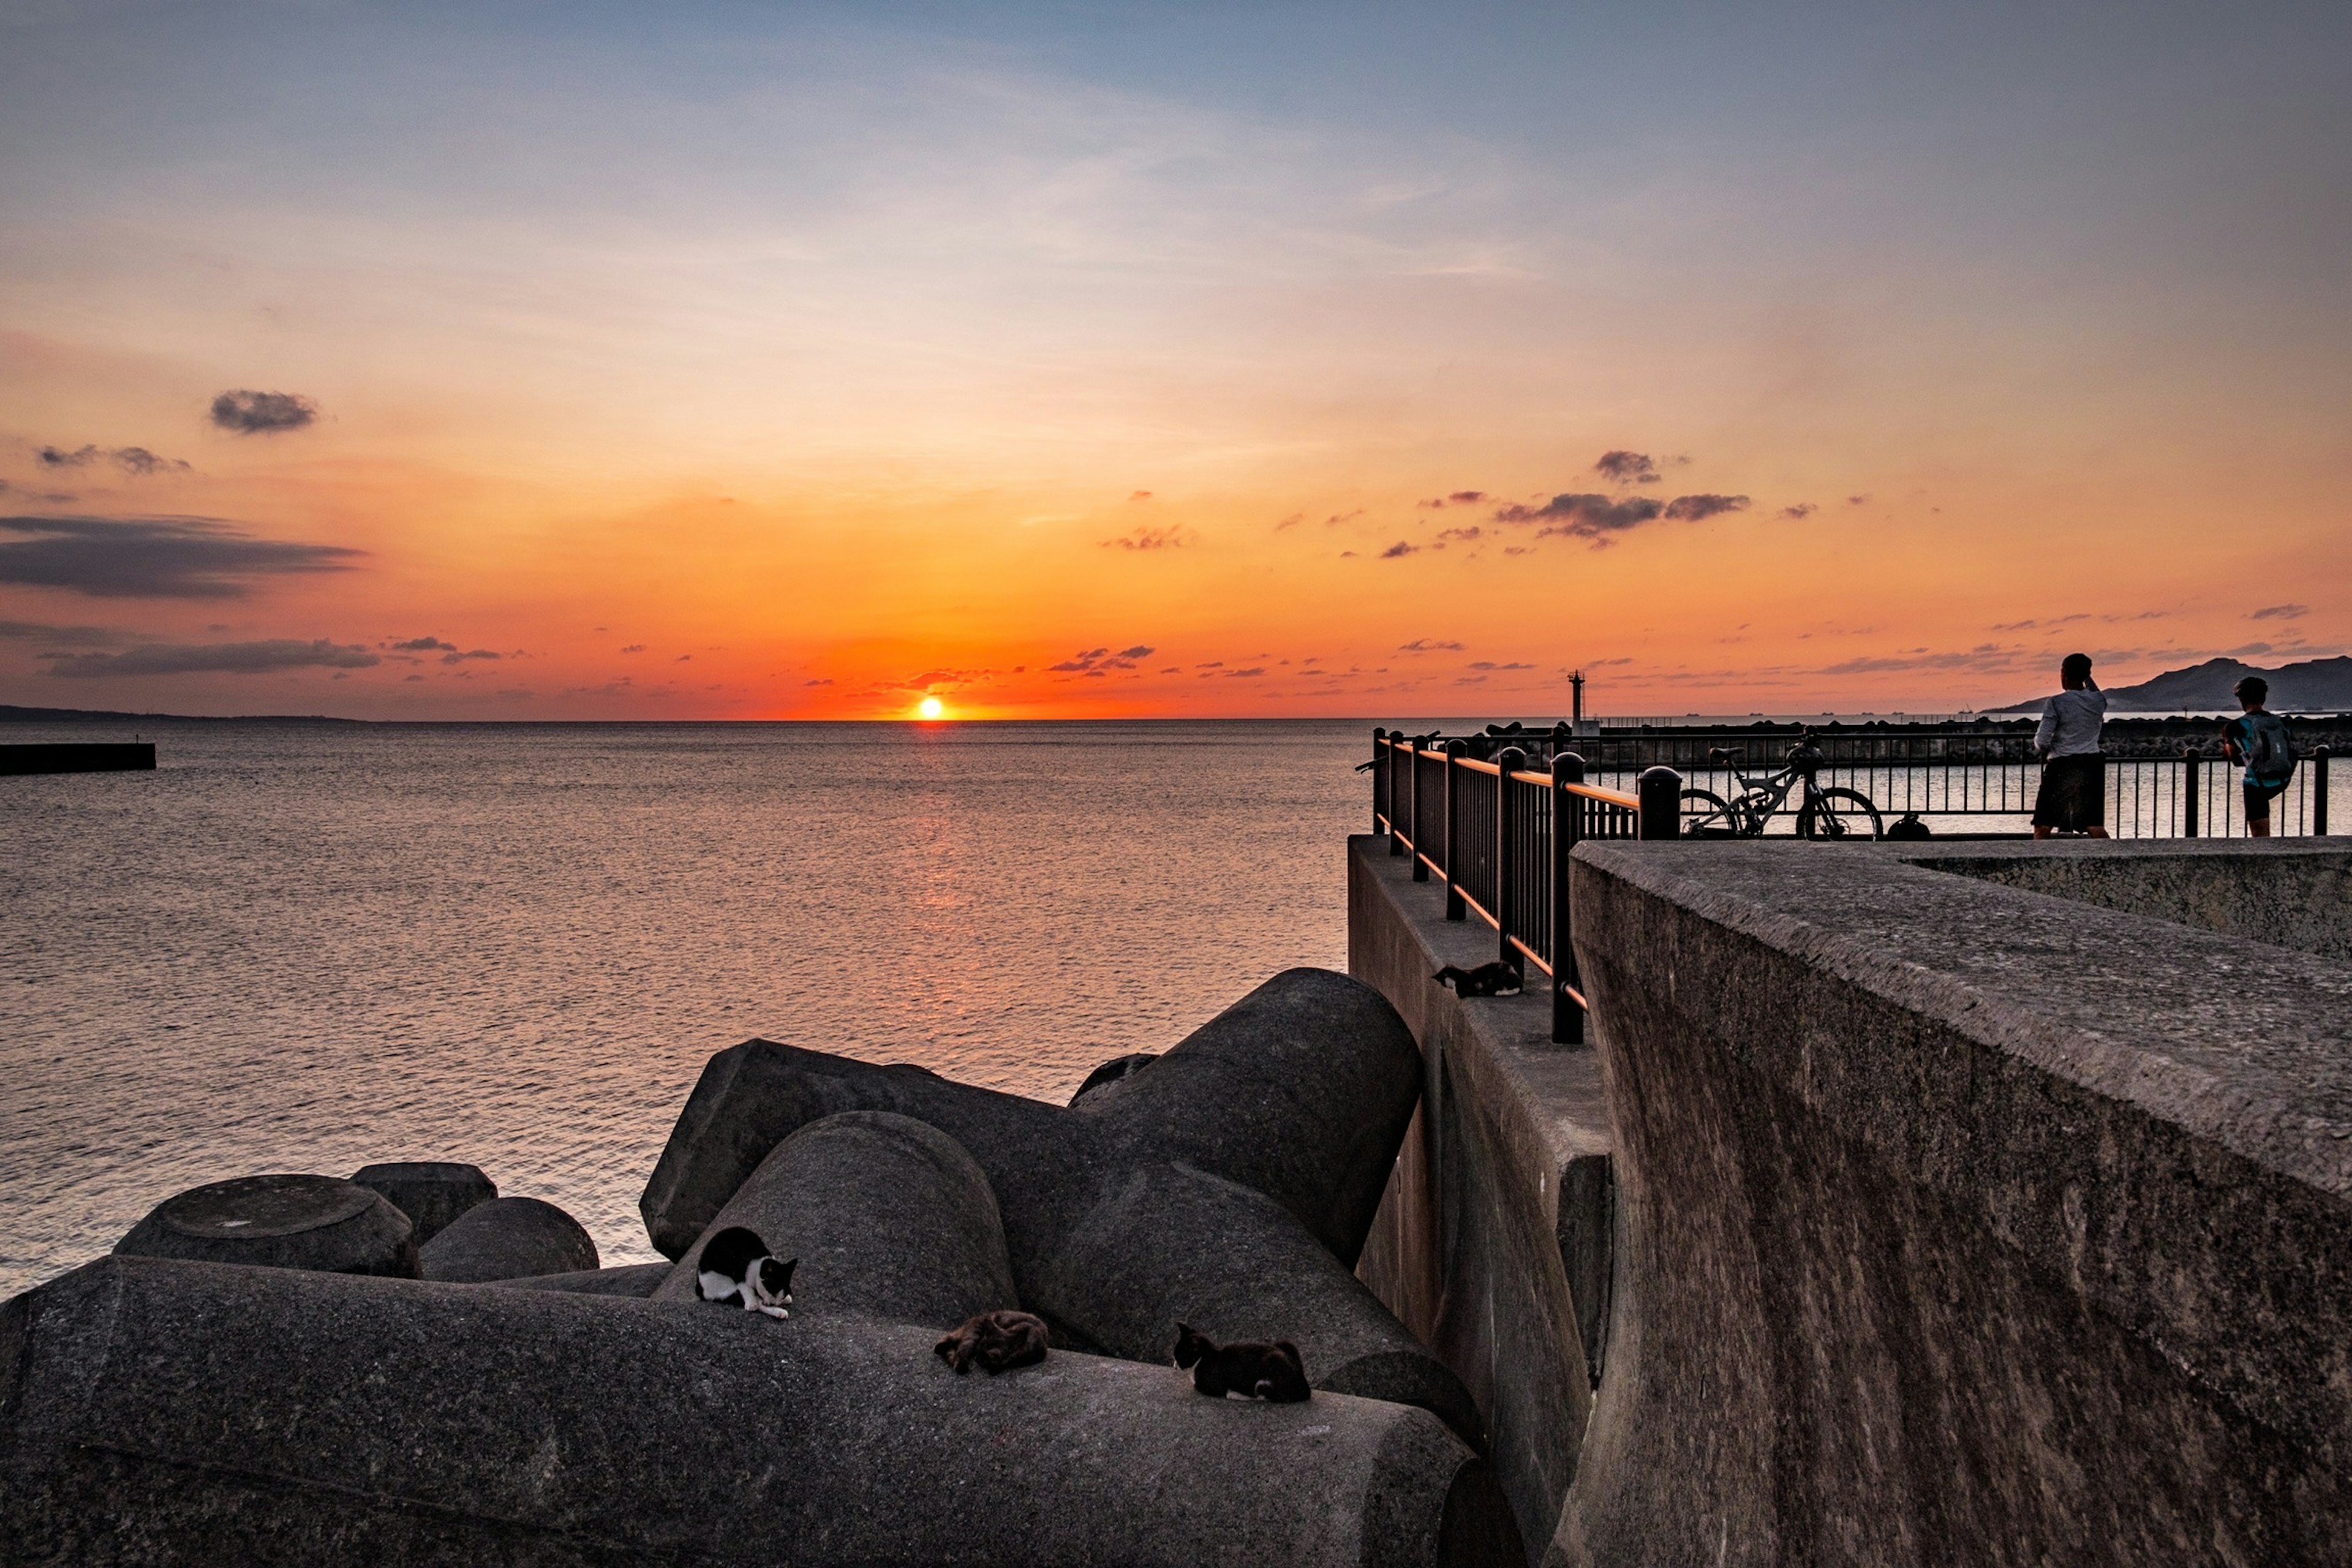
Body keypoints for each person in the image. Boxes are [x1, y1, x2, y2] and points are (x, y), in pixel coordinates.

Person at [2032, 652, 2109, 839]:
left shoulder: (2056, 703)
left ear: (2063, 673)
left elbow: (2042, 741)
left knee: (2043, 824)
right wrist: (2086, 676)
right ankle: (2113, 861)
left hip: (2061, 766)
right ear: (2086, 675)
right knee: (2094, 824)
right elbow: (2094, 691)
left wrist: (2044, 748)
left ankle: (2040, 863)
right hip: (2091, 765)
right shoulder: (2099, 701)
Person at [2221, 676, 2295, 838]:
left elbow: (2236, 760)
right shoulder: (2280, 722)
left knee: (2260, 835)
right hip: (2283, 779)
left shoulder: (2235, 726)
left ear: (2242, 700)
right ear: (2264, 698)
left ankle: (2263, 856)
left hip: (2257, 784)